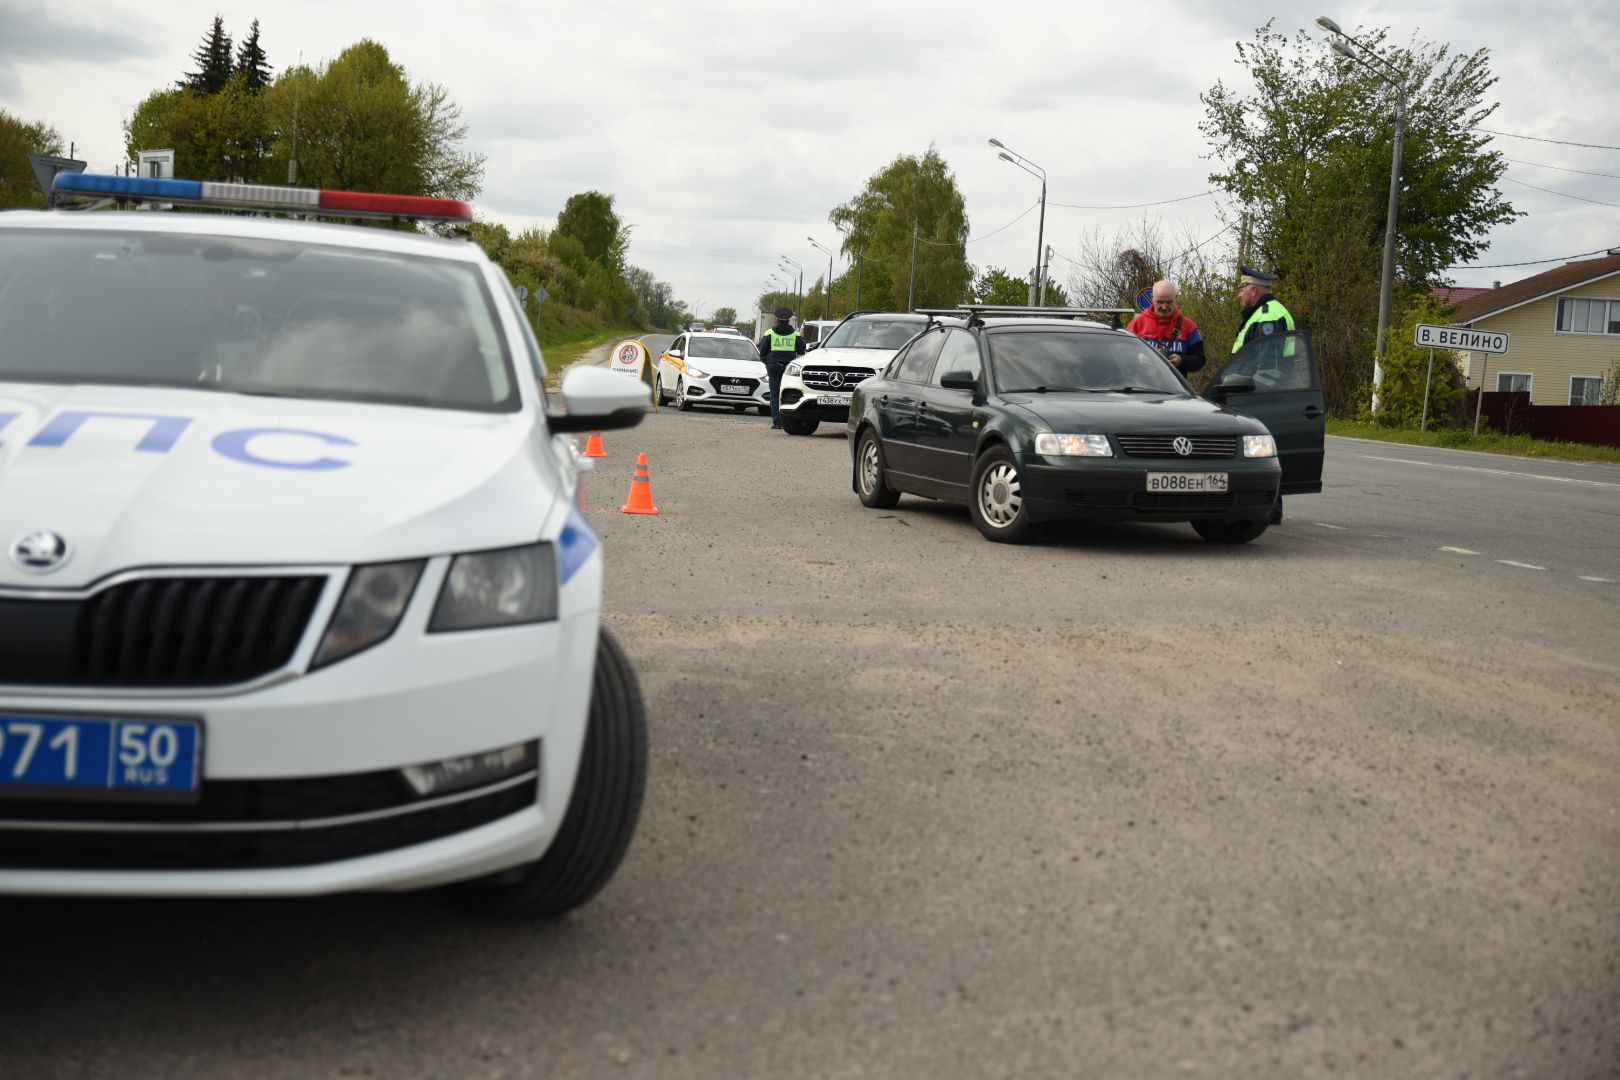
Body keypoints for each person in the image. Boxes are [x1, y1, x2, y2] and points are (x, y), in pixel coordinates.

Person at [1232, 267, 1297, 524]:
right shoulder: (1265, 313)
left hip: (1260, 397)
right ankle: (1264, 509)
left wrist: (1248, 396)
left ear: (1253, 290)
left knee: (1261, 455)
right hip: (1266, 396)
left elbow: (1269, 367)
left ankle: (1268, 511)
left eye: (1242, 290)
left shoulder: (1267, 317)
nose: (1239, 295)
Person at [1126, 280, 1205, 373]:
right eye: (1160, 302)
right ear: (1152, 299)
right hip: (1142, 382)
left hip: (1174, 382)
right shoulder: (1137, 324)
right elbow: (1122, 355)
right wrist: (1137, 358)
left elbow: (1200, 360)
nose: (1164, 307)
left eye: (1169, 302)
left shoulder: (1189, 326)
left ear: (1176, 299)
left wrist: (1182, 361)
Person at [756, 306, 804, 429]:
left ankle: (777, 422)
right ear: (789, 320)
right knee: (789, 393)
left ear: (777, 320)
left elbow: (762, 351)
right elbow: (801, 351)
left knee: (775, 393)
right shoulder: (796, 334)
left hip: (773, 366)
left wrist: (767, 362)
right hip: (789, 368)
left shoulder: (769, 333)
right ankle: (789, 420)